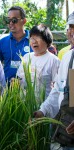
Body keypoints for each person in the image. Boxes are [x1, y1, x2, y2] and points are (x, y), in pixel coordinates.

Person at [34, 12, 74, 150]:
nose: (73, 31)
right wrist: (42, 111)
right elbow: (60, 90)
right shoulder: (69, 58)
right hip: (68, 131)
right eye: (71, 27)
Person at [17, 24, 60, 99]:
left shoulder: (53, 60)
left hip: (44, 106)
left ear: (47, 40)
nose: (33, 41)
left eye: (37, 37)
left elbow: (58, 87)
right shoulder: (27, 57)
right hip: (24, 104)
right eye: (31, 38)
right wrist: (15, 82)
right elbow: (19, 78)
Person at [0, 6, 33, 84]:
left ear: (24, 21)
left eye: (14, 20)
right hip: (6, 90)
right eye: (8, 20)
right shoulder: (2, 42)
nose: (11, 23)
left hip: (29, 91)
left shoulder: (34, 41)